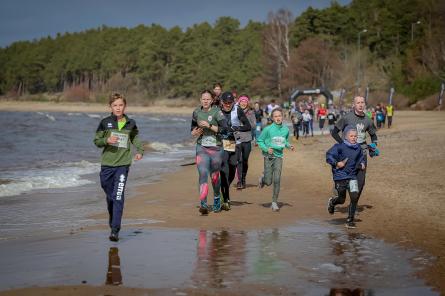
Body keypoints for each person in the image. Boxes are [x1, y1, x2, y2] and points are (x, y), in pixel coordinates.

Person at [94, 93, 144, 242]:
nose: (118, 108)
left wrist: (140, 151)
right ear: (110, 107)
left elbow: (135, 137)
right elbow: (96, 141)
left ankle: (115, 230)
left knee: (118, 196)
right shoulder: (105, 122)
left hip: (123, 165)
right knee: (110, 196)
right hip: (107, 165)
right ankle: (113, 214)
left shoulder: (131, 122)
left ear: (125, 106)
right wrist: (107, 140)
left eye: (120, 105)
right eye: (115, 105)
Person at [331, 96, 378, 209]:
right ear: (354, 105)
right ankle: (335, 197)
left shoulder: (368, 120)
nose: (361, 105)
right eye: (358, 103)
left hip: (362, 154)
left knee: (360, 183)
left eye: (362, 102)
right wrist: (343, 144)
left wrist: (374, 146)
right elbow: (334, 132)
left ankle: (352, 207)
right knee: (344, 183)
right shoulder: (347, 118)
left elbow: (373, 135)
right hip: (346, 155)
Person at [191, 90, 227, 215]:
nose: (205, 101)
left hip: (216, 149)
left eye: (208, 99)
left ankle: (217, 198)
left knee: (214, 176)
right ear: (200, 100)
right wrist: (195, 132)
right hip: (202, 148)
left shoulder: (217, 112)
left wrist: (209, 126)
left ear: (212, 100)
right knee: (202, 173)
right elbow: (192, 129)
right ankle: (203, 204)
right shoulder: (196, 112)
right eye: (203, 99)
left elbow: (224, 129)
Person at [326, 126, 365, 228]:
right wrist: (336, 163)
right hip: (340, 176)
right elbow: (328, 155)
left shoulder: (358, 148)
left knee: (354, 197)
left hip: (352, 176)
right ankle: (332, 202)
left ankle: (350, 220)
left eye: (355, 136)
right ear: (346, 137)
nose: (354, 138)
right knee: (342, 199)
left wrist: (362, 164)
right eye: (351, 136)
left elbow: (361, 159)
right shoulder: (339, 146)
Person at [257, 108, 295, 211]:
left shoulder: (286, 129)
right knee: (268, 182)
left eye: (279, 116)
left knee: (277, 180)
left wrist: (289, 146)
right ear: (272, 118)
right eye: (275, 116)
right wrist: (266, 148)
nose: (278, 118)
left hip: (279, 156)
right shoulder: (268, 129)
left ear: (282, 116)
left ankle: (274, 202)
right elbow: (259, 140)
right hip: (268, 157)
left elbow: (285, 141)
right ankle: (263, 177)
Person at [219, 91, 251, 210]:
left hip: (234, 142)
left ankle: (225, 188)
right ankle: (225, 198)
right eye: (226, 103)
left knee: (232, 168)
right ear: (222, 102)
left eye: (230, 102)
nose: (228, 105)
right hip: (222, 143)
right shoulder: (217, 110)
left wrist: (236, 128)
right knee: (224, 170)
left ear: (233, 102)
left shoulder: (237, 110)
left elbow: (248, 126)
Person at [235, 95, 255, 189]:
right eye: (241, 101)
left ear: (247, 103)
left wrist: (244, 123)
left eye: (245, 101)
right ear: (239, 102)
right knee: (239, 160)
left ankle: (243, 178)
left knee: (245, 160)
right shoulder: (235, 112)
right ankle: (239, 181)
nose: (243, 103)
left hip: (247, 139)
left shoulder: (250, 112)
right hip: (237, 139)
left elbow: (253, 125)